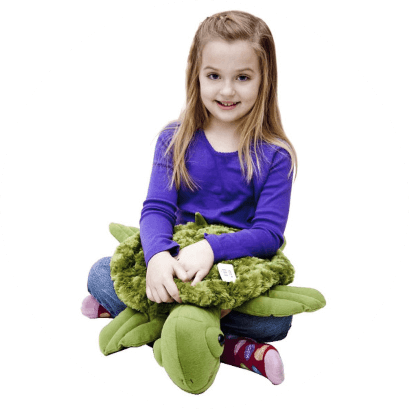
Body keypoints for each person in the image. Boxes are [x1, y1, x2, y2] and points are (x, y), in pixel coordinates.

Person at [82, 10, 297, 386]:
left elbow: (267, 235)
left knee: (278, 322)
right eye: (214, 76)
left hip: (234, 274)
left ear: (265, 80)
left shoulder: (276, 155)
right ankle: (230, 348)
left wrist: (211, 249)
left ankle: (149, 322)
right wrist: (157, 258)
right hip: (177, 265)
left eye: (242, 77)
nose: (226, 91)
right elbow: (157, 209)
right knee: (100, 273)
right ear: (195, 74)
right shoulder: (174, 139)